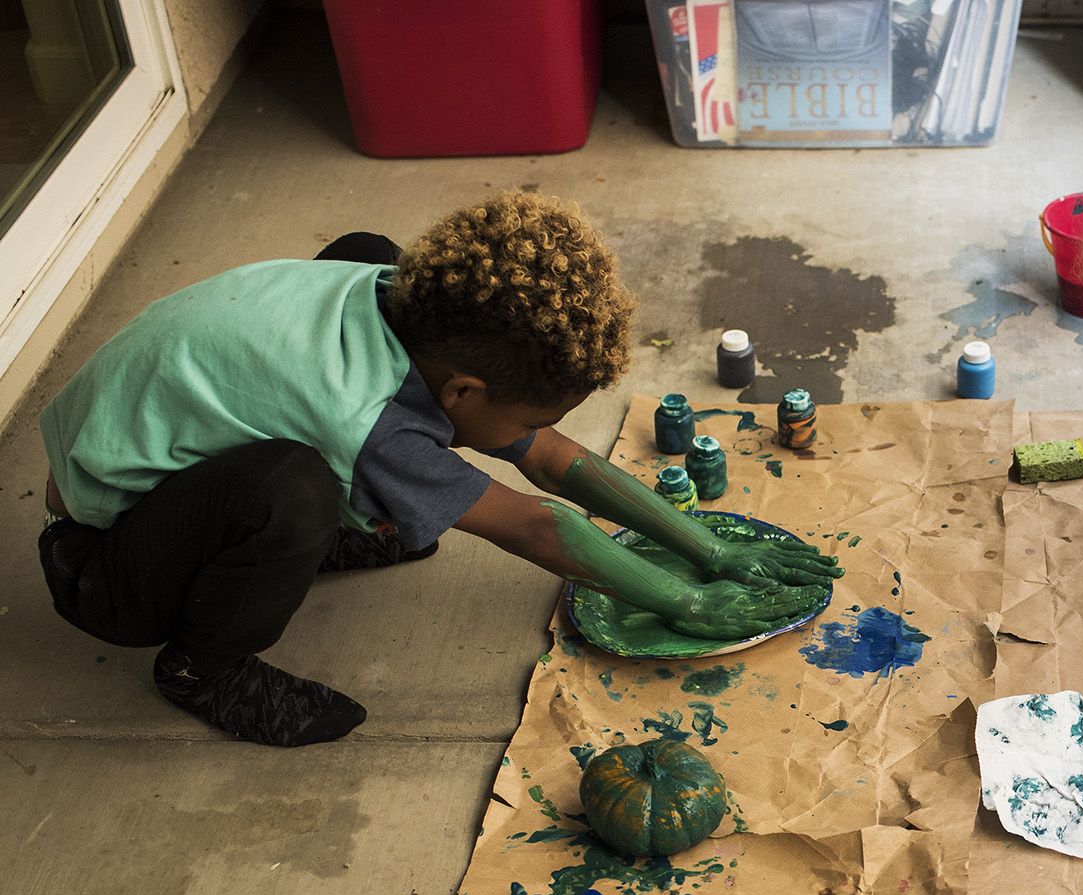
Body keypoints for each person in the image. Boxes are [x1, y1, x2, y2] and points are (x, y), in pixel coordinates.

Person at [38, 191, 840, 748]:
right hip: (107, 556)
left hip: (139, 451)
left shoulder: (399, 295)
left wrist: (710, 545)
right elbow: (535, 520)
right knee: (293, 493)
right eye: (528, 416)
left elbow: (553, 464)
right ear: (462, 388)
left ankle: (331, 520)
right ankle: (199, 667)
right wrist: (689, 599)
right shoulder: (374, 423)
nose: (540, 435)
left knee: (364, 251)